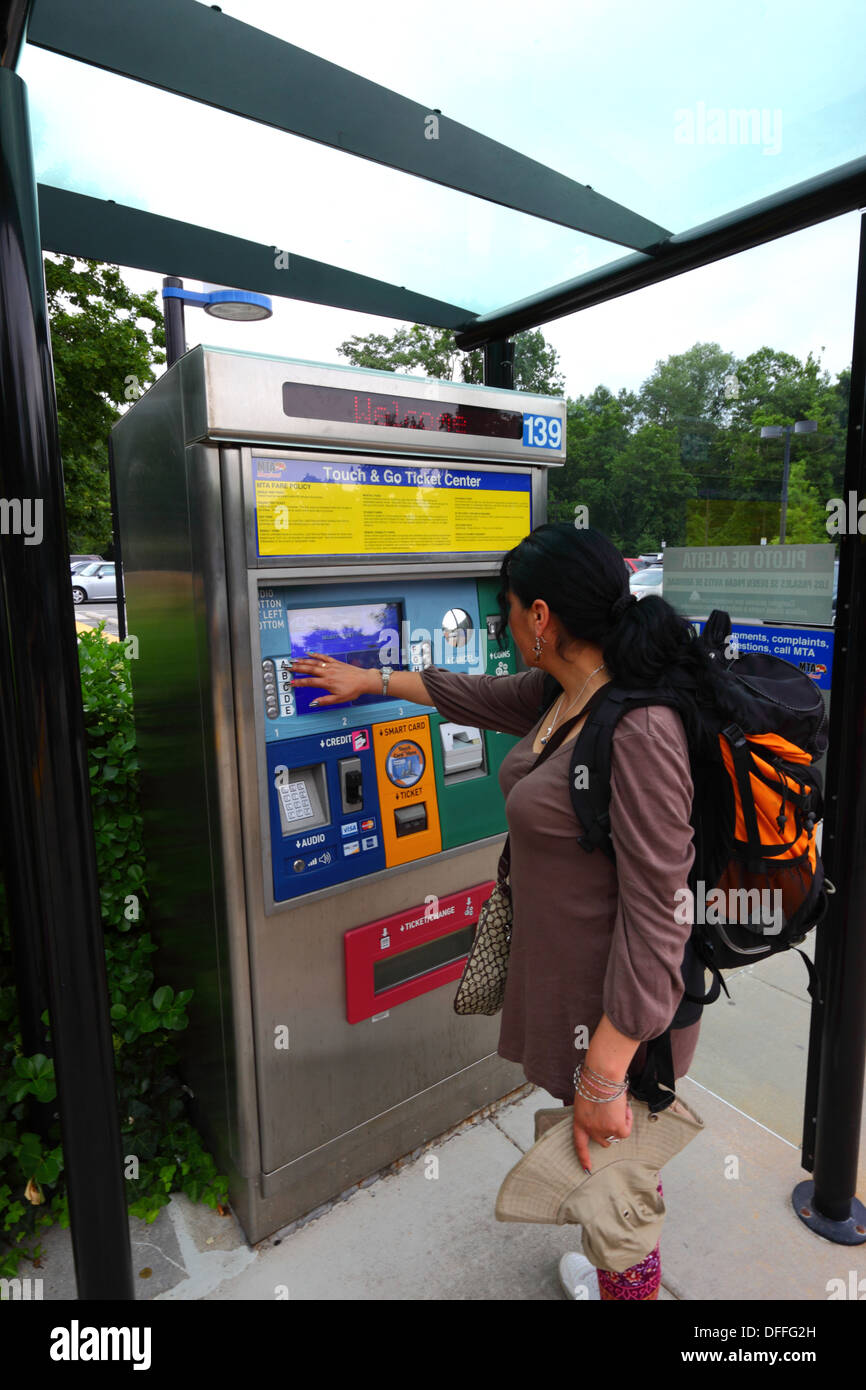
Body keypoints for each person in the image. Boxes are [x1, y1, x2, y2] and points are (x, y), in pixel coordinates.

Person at [289, 522, 716, 1301]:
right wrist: (371, 682)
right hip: (577, 989)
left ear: (542, 617)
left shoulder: (638, 725)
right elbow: (473, 696)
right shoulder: (569, 694)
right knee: (620, 1157)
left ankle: (632, 1287)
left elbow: (662, 913)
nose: (503, 623)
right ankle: (616, 1255)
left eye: (509, 608)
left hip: (618, 1011)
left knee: (609, 1162)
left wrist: (605, 1071)